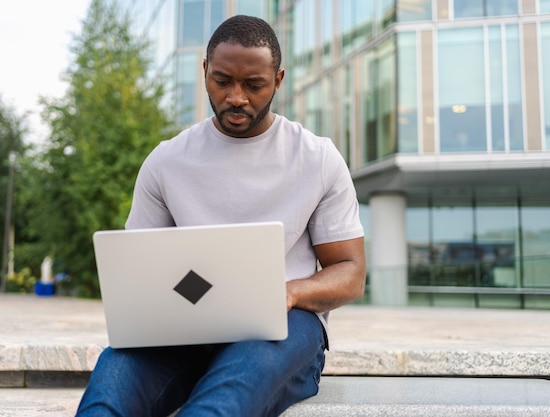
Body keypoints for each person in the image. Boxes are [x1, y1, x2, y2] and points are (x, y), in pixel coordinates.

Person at [76, 14, 366, 417]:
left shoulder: (316, 157)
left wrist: (289, 292)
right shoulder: (166, 161)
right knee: (107, 396)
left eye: (254, 85)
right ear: (205, 72)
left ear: (278, 80)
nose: (236, 97)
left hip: (284, 326)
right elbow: (138, 268)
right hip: (183, 331)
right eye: (223, 80)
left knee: (217, 407)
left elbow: (350, 271)